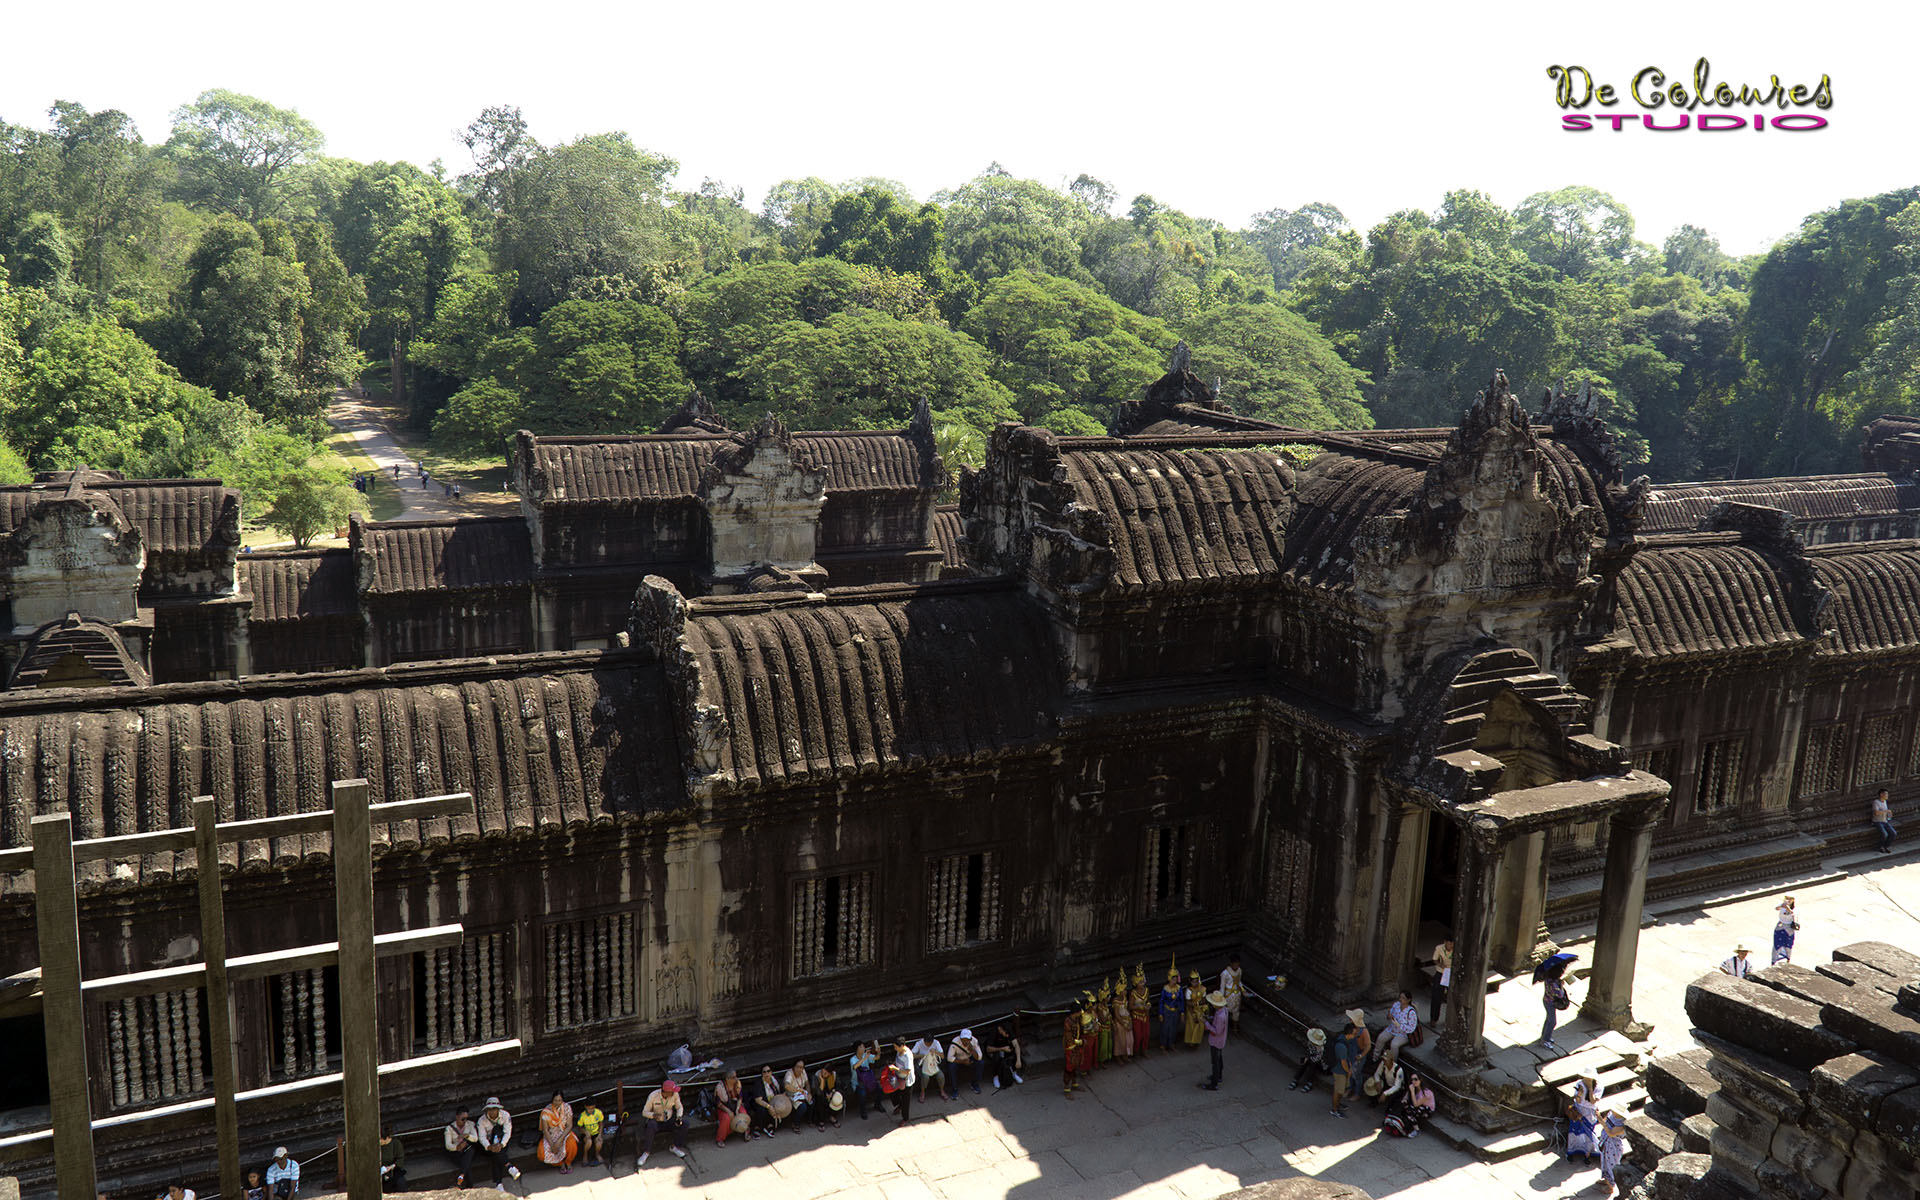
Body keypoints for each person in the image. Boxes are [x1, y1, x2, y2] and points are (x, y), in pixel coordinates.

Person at [636, 1079, 688, 1165]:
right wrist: (653, 1115)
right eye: (672, 1091)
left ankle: (675, 1147)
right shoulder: (653, 1096)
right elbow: (644, 1112)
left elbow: (679, 1107)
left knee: (685, 1124)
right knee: (650, 1127)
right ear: (667, 1092)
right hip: (656, 1120)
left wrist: (679, 1117)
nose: (674, 1092)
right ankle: (646, 1152)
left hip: (669, 1119)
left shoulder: (675, 1094)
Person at [1330, 1009, 1369, 1118]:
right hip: (1340, 1071)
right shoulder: (1341, 1046)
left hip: (1343, 1069)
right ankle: (1335, 1109)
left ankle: (1338, 1104)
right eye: (1354, 1034)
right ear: (1350, 1034)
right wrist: (1349, 1071)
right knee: (1338, 1091)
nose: (1355, 1035)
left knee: (1340, 1090)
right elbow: (1343, 1062)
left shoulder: (1344, 1040)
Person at [477, 1098, 522, 1190]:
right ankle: (509, 1166)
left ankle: (498, 1184)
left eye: (494, 1109)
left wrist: (501, 1144)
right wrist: (489, 1147)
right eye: (490, 1109)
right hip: (488, 1145)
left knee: (496, 1153)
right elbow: (482, 1137)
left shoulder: (505, 1115)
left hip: (502, 1142)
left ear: (498, 1109)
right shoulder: (481, 1121)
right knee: (496, 1153)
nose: (492, 1111)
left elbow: (507, 1132)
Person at [1386, 1071, 1435, 1138]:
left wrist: (1412, 1092)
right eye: (1412, 1080)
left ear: (1420, 1080)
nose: (1414, 1081)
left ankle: (1417, 1130)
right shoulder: (1414, 1088)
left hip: (1427, 1109)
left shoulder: (1426, 1093)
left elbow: (1415, 1104)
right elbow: (1406, 1096)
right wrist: (1405, 1099)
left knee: (1410, 1110)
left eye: (1416, 1079)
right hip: (1418, 1105)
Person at [537, 1091, 576, 1172]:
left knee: (572, 1144)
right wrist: (552, 1145)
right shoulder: (546, 1111)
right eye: (555, 1100)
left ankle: (568, 1162)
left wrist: (559, 1140)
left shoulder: (567, 1108)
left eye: (559, 1100)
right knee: (541, 1154)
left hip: (564, 1133)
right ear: (552, 1100)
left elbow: (569, 1126)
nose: (557, 1102)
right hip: (551, 1135)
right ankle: (560, 1163)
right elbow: (545, 1130)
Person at [1565, 1075, 1600, 1161]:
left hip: (1589, 1113)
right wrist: (1579, 1094)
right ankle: (1572, 1151)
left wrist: (1590, 1088)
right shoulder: (1579, 1083)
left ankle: (1587, 1154)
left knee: (1588, 1133)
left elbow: (1592, 1101)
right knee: (1575, 1131)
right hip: (1578, 1110)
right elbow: (1578, 1100)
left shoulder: (1599, 1087)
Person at [444, 1107, 480, 1188]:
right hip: (456, 1152)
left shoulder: (470, 1124)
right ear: (457, 1117)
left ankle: (461, 1176)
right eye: (462, 1119)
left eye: (466, 1119)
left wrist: (467, 1136)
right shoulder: (449, 1129)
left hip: (467, 1150)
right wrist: (457, 1147)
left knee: (470, 1152)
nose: (464, 1121)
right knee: (467, 1164)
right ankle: (466, 1181)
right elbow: (448, 1145)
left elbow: (475, 1138)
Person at [1200, 990, 1229, 1090]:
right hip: (1220, 1041)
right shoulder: (1223, 1010)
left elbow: (1216, 1031)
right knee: (1219, 1059)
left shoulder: (1220, 1016)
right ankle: (1219, 1076)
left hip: (1216, 1041)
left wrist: (1206, 1023)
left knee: (1215, 1062)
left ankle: (1214, 1083)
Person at [1597, 1106, 1630, 1195]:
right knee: (1604, 1161)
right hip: (1605, 1141)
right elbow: (1605, 1121)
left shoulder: (1622, 1124)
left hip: (1614, 1145)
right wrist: (1600, 1118)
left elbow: (1611, 1133)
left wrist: (1600, 1119)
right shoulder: (1611, 1114)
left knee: (1612, 1164)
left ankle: (1611, 1186)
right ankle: (1606, 1180)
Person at [753, 1065, 792, 1136]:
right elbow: (758, 1100)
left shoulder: (775, 1080)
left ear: (771, 1072)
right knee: (763, 1110)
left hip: (776, 1102)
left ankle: (770, 1126)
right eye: (764, 1072)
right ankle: (761, 1127)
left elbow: (783, 1092)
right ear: (762, 1074)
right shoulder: (759, 1083)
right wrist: (769, 1106)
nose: (766, 1073)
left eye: (768, 1071)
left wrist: (782, 1102)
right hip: (765, 1104)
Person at [1288, 1027, 1331, 1093]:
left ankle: (1309, 1083)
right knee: (1305, 1063)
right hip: (1313, 1058)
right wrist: (1307, 1058)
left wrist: (1308, 1059)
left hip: (1323, 1064)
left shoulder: (1323, 1047)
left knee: (1312, 1064)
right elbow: (1310, 1052)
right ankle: (1296, 1079)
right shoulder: (1310, 1043)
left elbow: (1319, 1058)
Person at [713, 1072, 750, 1146]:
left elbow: (740, 1098)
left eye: (736, 1076)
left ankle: (746, 1131)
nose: (736, 1079)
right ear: (727, 1079)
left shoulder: (737, 1084)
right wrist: (728, 1111)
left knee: (743, 1113)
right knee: (726, 1118)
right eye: (733, 1077)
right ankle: (720, 1139)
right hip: (724, 1107)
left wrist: (738, 1108)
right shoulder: (720, 1087)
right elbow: (718, 1103)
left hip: (735, 1104)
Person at [886, 1037, 916, 1124]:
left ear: (902, 1046)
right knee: (893, 1093)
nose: (895, 1049)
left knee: (906, 1100)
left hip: (907, 1081)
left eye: (896, 1047)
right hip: (898, 1077)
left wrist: (895, 1068)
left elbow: (907, 1070)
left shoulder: (908, 1055)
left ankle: (905, 1118)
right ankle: (899, 1105)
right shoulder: (899, 1052)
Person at [984, 1023, 1023, 1089]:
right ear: (1000, 1029)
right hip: (995, 1050)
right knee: (996, 1058)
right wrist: (1002, 1049)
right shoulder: (993, 1032)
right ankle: (996, 1076)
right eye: (1006, 1033)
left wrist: (1018, 1060)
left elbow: (1016, 1044)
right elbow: (988, 1049)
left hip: (1005, 1048)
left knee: (1015, 1051)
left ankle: (1013, 1072)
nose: (1007, 1036)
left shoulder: (1008, 1029)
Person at [1155, 965, 1184, 1051]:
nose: (1174, 981)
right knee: (1165, 1028)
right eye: (1173, 979)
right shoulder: (1165, 989)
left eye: (1175, 979)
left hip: (1175, 1011)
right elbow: (1161, 1001)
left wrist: (1182, 1012)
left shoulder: (1179, 988)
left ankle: (1171, 1043)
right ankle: (1163, 1044)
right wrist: (1160, 1013)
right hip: (1166, 1011)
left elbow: (1181, 1001)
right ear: (1169, 979)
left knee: (1174, 1028)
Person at [850, 1041, 882, 1118]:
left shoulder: (866, 1055)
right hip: (858, 1083)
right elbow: (855, 1066)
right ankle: (863, 1111)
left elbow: (876, 1058)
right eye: (861, 1047)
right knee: (862, 1094)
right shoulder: (853, 1059)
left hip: (868, 1080)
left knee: (879, 1088)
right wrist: (865, 1058)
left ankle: (878, 1105)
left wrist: (878, 1052)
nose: (864, 1048)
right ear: (857, 1049)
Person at [1128, 964, 1153, 1063]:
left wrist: (1148, 1005)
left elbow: (1148, 1001)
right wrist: (1139, 1007)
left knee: (1146, 1034)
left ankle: (1144, 1050)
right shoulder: (1133, 993)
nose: (1142, 984)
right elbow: (1130, 1006)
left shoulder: (1146, 990)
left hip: (1145, 1015)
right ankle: (1136, 1052)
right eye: (1140, 982)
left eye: (1143, 981)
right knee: (1138, 1035)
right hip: (1136, 1016)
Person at [1383, 990, 1419, 1055]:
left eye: (1403, 998)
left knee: (1394, 1045)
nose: (1400, 999)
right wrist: (1389, 1016)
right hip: (1392, 1029)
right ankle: (1375, 1057)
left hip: (1403, 1034)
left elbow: (1412, 1028)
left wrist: (1399, 1026)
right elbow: (1389, 1014)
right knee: (1381, 1038)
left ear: (1408, 1000)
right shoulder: (1396, 1005)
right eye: (1400, 997)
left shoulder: (1411, 1012)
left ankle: (1394, 1062)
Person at [1108, 975, 1134, 1063]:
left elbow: (1127, 1010)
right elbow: (1117, 1015)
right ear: (1119, 991)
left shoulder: (1125, 999)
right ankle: (1118, 1057)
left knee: (1129, 1040)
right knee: (1120, 1041)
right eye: (1123, 990)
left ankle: (1125, 1055)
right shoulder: (1116, 1001)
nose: (1125, 992)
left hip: (1127, 1020)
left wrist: (1129, 1021)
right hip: (1120, 1022)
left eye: (1125, 990)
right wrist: (1124, 1024)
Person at [1062, 1001, 1086, 1096]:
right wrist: (1079, 1042)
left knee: (1076, 1065)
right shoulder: (1067, 1022)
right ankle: (1066, 1088)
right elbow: (1068, 1036)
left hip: (1078, 1046)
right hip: (1071, 1047)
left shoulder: (1077, 1019)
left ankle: (1074, 1084)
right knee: (1069, 1067)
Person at [1542, 969, 1571, 1050]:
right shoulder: (1553, 984)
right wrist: (1561, 985)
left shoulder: (1548, 979)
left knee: (1548, 1019)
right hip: (1550, 1003)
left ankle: (1544, 1035)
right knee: (1552, 1022)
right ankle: (1545, 1040)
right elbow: (1560, 995)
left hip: (1546, 1000)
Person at [950, 1027, 984, 1093]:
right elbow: (950, 1058)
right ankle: (954, 1088)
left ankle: (975, 1084)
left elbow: (979, 1057)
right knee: (951, 1066)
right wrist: (962, 1062)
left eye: (967, 1039)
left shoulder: (974, 1041)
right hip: (958, 1060)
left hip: (969, 1059)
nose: (965, 1041)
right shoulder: (955, 1041)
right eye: (963, 1039)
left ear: (970, 1039)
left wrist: (972, 1050)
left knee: (980, 1063)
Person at [575, 1097, 606, 1167]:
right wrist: (585, 1132)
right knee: (589, 1142)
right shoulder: (582, 1116)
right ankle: (585, 1156)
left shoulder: (598, 1113)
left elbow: (601, 1124)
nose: (591, 1110)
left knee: (599, 1142)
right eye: (589, 1108)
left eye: (592, 1108)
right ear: (585, 1107)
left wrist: (599, 1135)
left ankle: (597, 1154)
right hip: (587, 1135)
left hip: (596, 1133)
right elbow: (579, 1128)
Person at [812, 1061, 843, 1129]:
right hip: (821, 1095)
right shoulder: (816, 1076)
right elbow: (817, 1092)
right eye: (824, 1072)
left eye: (827, 1073)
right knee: (820, 1099)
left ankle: (832, 1116)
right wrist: (822, 1080)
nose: (824, 1074)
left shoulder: (833, 1075)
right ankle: (821, 1120)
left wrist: (832, 1092)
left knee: (837, 1097)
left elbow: (838, 1085)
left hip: (831, 1092)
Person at [1430, 938, 1454, 1026]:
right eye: (1448, 944)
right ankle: (1433, 1018)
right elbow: (1435, 959)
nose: (1450, 946)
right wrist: (1441, 964)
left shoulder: (1456, 949)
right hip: (1441, 972)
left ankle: (1450, 1020)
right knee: (1436, 996)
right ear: (1445, 942)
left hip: (1451, 973)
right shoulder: (1439, 948)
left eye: (1452, 944)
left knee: (1451, 997)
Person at [784, 1059, 813, 1128]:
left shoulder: (803, 1072)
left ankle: (809, 1120)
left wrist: (809, 1093)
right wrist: (798, 1090)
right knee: (802, 1107)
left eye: (801, 1067)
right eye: (798, 1067)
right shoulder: (789, 1074)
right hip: (791, 1095)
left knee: (811, 1101)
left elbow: (807, 1083)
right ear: (794, 1067)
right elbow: (786, 1086)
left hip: (802, 1093)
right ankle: (795, 1124)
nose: (800, 1069)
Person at [1182, 970, 1207, 1047]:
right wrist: (1193, 1012)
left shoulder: (1202, 988)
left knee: (1200, 1025)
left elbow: (1204, 999)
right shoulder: (1189, 990)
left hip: (1200, 1009)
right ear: (1190, 981)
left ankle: (1197, 1040)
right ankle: (1191, 1042)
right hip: (1191, 1010)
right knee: (1192, 1025)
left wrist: (1203, 1006)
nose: (1195, 984)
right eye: (1193, 982)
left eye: (1196, 981)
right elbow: (1188, 1002)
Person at [1219, 953, 1245, 1028]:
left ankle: (1235, 1028)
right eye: (1235, 964)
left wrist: (1243, 990)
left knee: (1236, 1012)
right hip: (1228, 995)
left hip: (1237, 994)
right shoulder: (1225, 973)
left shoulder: (1239, 971)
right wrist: (1221, 999)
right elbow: (1222, 986)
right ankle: (1223, 1028)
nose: (1236, 966)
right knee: (1225, 1011)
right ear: (1231, 963)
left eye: (1238, 964)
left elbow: (1239, 982)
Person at [1773, 896, 1800, 964]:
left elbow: (1794, 915)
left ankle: (1787, 959)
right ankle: (1775, 960)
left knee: (1788, 944)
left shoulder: (1795, 908)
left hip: (1789, 927)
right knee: (1777, 944)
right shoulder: (1783, 905)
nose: (1788, 900)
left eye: (1790, 899)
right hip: (1780, 925)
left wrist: (1789, 909)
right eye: (1787, 899)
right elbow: (1776, 908)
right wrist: (1782, 906)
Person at [379, 1126, 407, 1191]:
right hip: (381, 1172)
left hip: (393, 1171)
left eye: (380, 1139)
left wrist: (391, 1167)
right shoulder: (377, 1146)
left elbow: (400, 1159)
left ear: (386, 1138)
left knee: (400, 1182)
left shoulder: (396, 1144)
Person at [1872, 788, 1896, 854]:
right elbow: (1876, 812)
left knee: (1893, 833)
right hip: (1878, 821)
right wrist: (1886, 811)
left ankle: (1886, 846)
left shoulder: (1885, 802)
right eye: (1886, 794)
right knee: (1884, 834)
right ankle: (1880, 847)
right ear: (1881, 794)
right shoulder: (1876, 802)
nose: (1887, 795)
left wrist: (1889, 814)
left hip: (1885, 821)